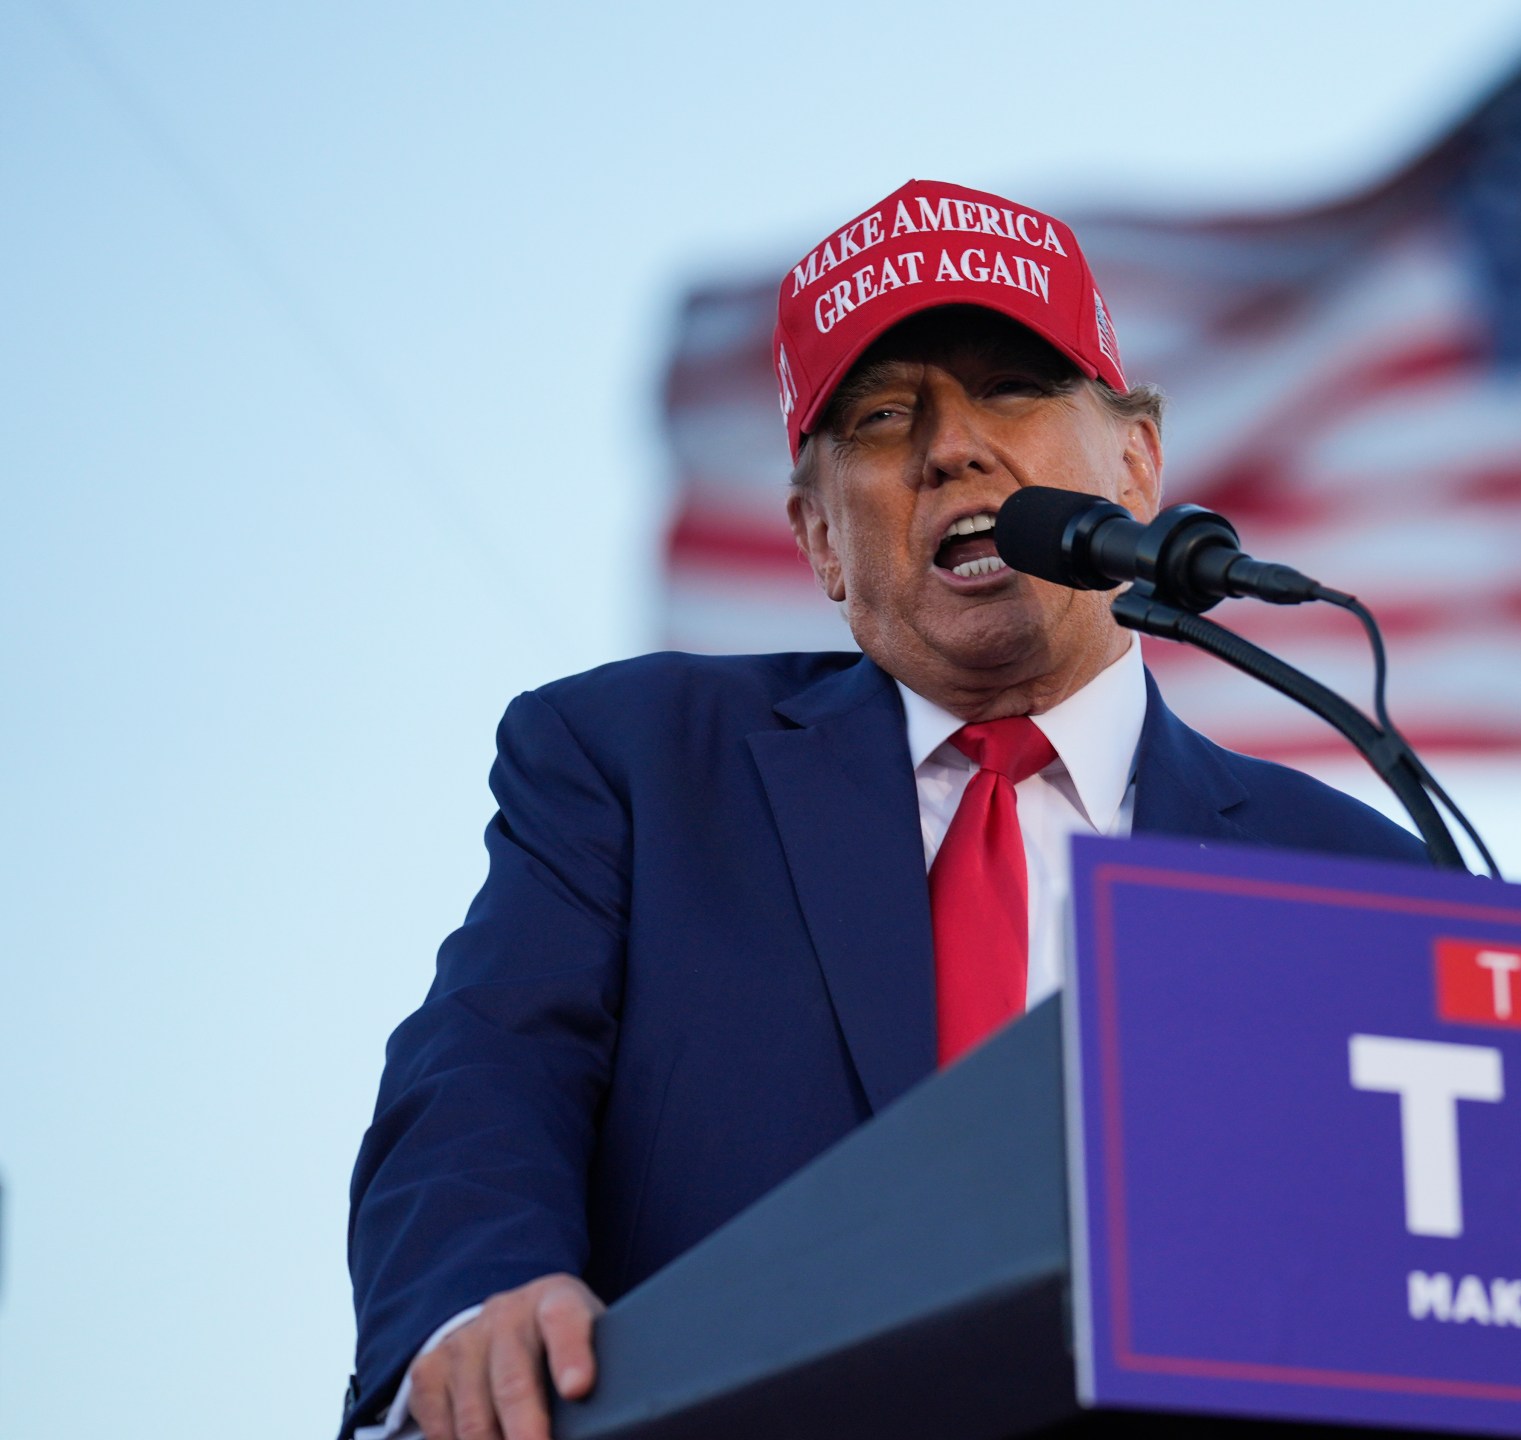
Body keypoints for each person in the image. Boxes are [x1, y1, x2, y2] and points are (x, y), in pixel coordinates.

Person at [342, 179, 1426, 1440]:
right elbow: (487, 1071)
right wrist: (475, 1306)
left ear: (1136, 462)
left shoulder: (1353, 876)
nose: (952, 447)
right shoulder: (637, 766)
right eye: (881, 417)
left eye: (1014, 389)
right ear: (817, 544)